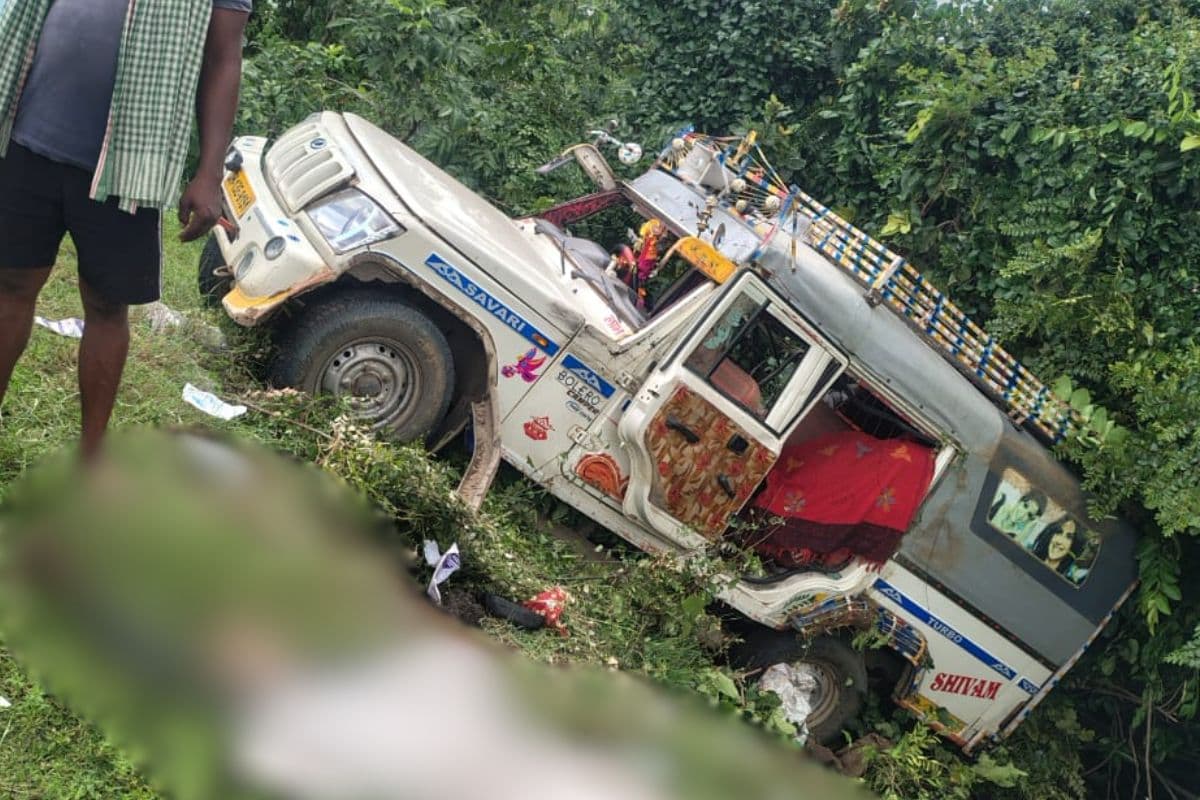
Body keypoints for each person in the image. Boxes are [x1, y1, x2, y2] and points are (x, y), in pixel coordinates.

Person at [0, 0, 251, 460]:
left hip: (130, 163)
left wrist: (209, 171)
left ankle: (91, 459)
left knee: (106, 304)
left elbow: (223, 59)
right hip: (29, 135)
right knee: (10, 284)